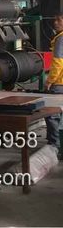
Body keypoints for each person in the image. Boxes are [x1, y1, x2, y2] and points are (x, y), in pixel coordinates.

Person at [44, 14, 63, 149]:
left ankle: (54, 145)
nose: (55, 23)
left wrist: (50, 80)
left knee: (52, 114)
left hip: (59, 83)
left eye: (59, 20)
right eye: (54, 20)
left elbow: (58, 62)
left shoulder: (60, 39)